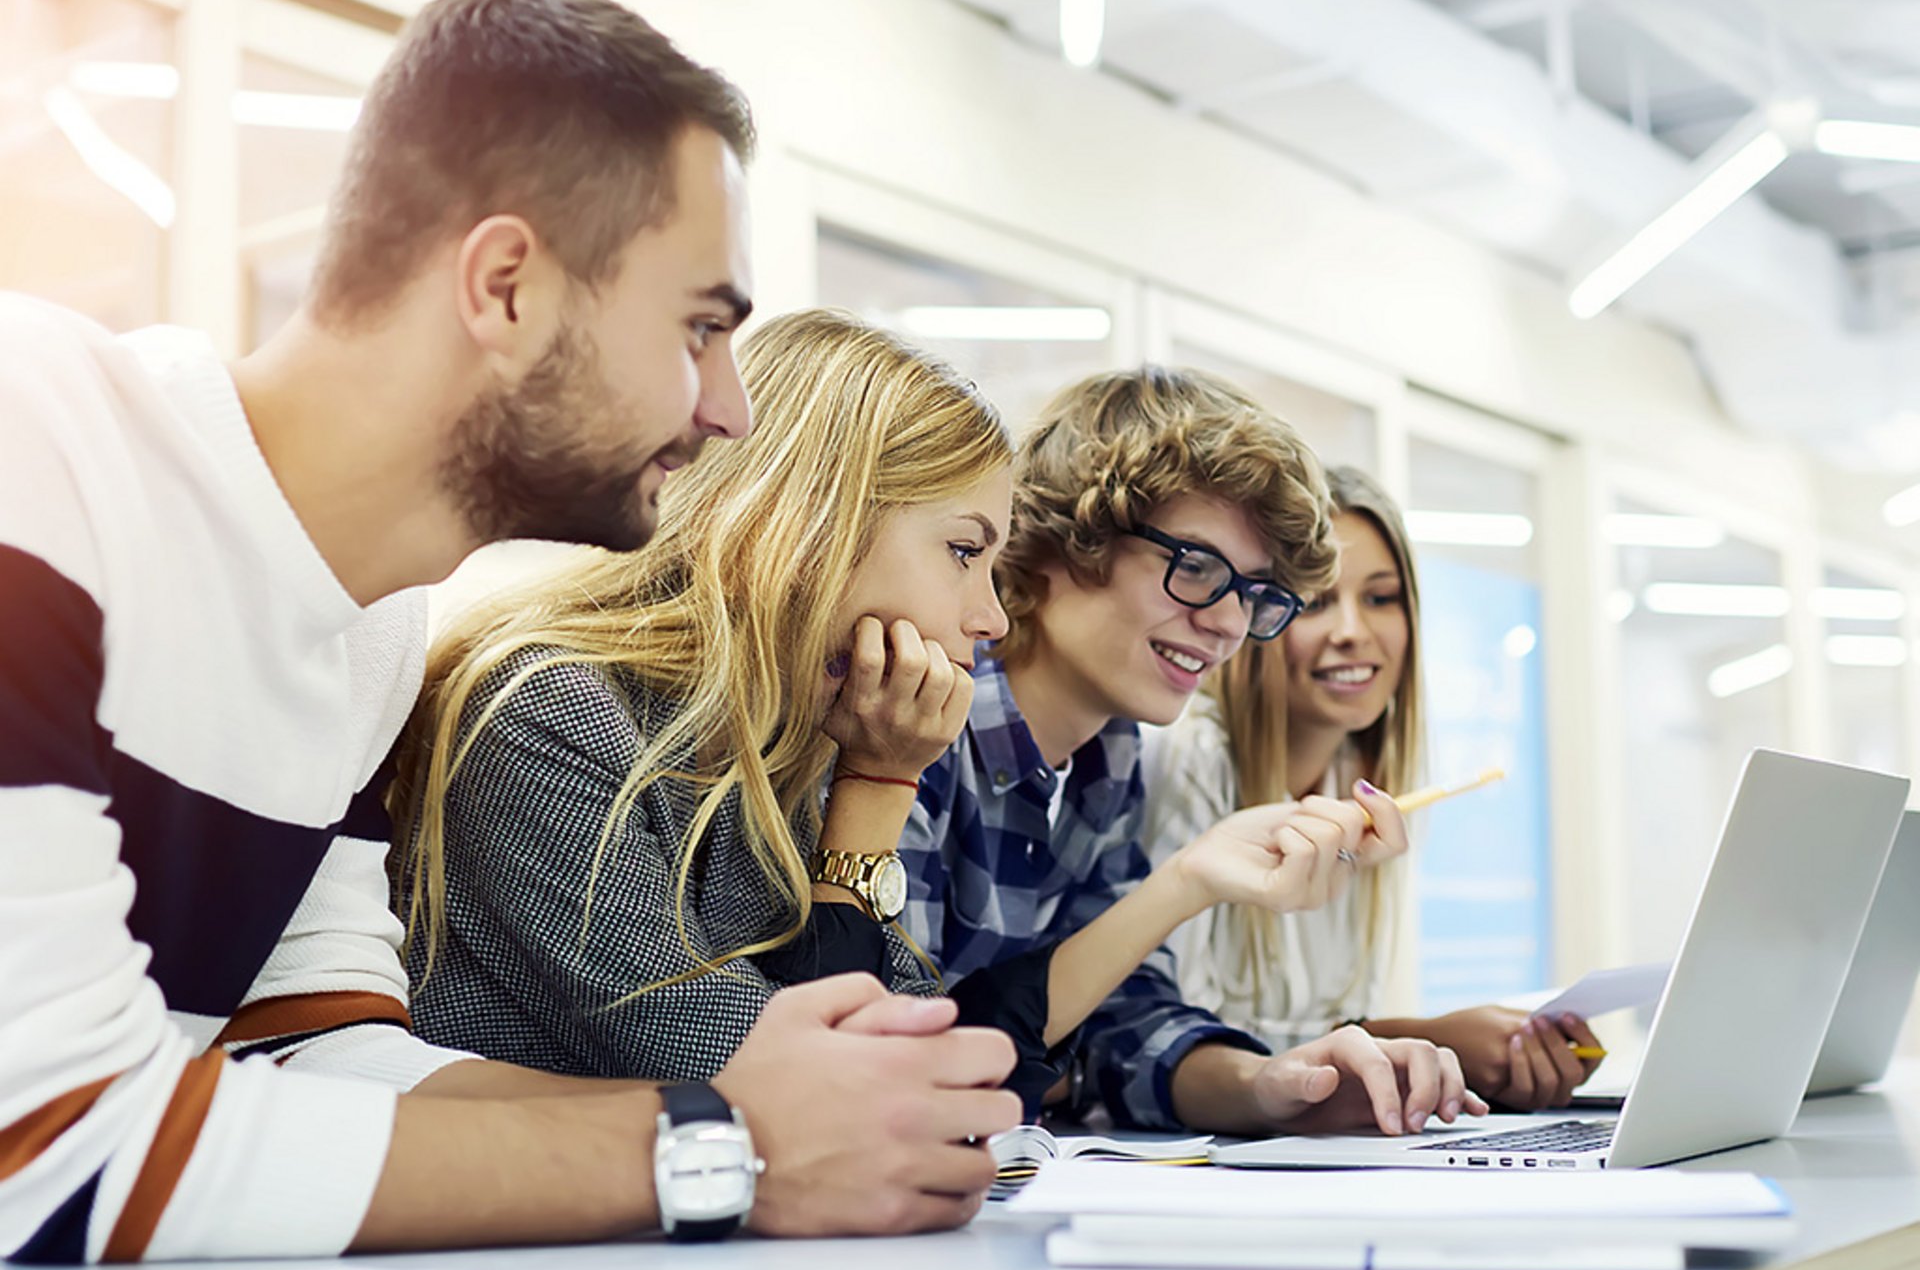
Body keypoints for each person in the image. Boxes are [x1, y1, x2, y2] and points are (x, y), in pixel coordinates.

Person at [1, 0, 1016, 1266]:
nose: (733, 414)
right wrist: (717, 1150)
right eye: (702, 328)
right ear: (507, 289)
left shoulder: (367, 638)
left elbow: (314, 1055)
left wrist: (787, 1118)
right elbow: (47, 1146)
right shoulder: (35, 441)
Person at [395, 313, 1410, 1118]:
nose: (988, 612)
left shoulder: (806, 740)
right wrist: (880, 790)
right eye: (968, 553)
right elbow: (811, 1077)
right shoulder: (550, 712)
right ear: (818, 522)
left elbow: (896, 1040)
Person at [899, 369, 1490, 1137]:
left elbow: (1125, 1033)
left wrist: (1283, 1085)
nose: (1228, 625)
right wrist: (1185, 881)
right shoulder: (914, 724)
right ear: (1058, 542)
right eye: (1198, 568)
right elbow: (909, 1057)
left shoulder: (1106, 758)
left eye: (1252, 592)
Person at [1141, 465, 1602, 1110]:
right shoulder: (1186, 757)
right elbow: (1164, 1040)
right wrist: (1418, 1036)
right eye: (1318, 601)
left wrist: (1437, 1049)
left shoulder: (1361, 787)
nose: (1353, 630)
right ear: (1258, 616)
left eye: (1381, 598)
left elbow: (1314, 1027)